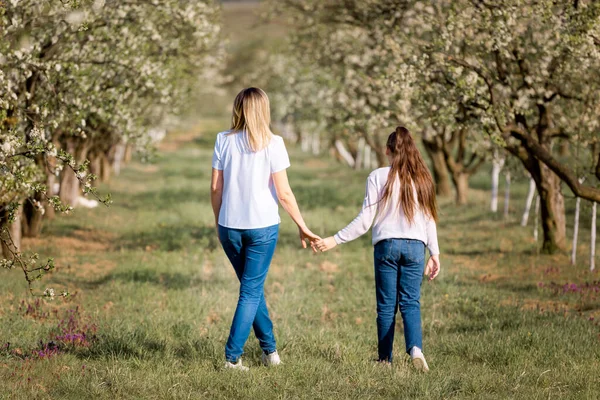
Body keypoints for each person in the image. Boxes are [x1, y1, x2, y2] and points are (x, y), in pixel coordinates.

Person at [211, 87, 320, 371]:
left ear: (237, 108)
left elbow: (215, 188)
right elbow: (284, 193)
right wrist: (303, 226)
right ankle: (232, 358)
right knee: (250, 290)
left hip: (229, 226)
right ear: (265, 110)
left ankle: (270, 351)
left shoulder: (223, 140)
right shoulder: (274, 143)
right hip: (263, 228)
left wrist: (218, 220)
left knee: (251, 289)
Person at [315, 126, 441, 372]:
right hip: (416, 247)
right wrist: (434, 253)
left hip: (387, 246)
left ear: (387, 150)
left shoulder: (377, 176)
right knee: (410, 302)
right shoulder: (423, 178)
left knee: (386, 306)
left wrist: (335, 239)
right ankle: (416, 349)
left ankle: (385, 359)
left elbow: (365, 221)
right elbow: (429, 220)